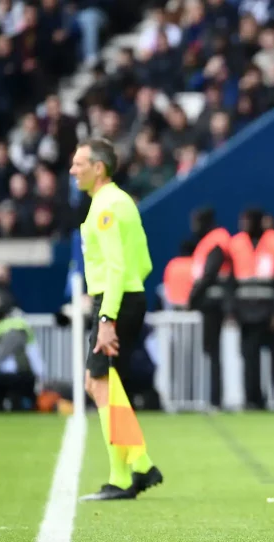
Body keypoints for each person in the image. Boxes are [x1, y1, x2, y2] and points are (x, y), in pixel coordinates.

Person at [70, 138, 164, 501]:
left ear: (99, 168)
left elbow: (116, 266)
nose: (73, 170)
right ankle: (135, 466)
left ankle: (129, 472)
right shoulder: (120, 202)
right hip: (127, 297)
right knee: (104, 383)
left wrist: (106, 316)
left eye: (79, 164)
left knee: (99, 383)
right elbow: (143, 263)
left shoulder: (106, 207)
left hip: (115, 302)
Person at [228, 208, 274, 410]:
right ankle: (253, 400)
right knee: (250, 360)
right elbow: (230, 282)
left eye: (246, 220)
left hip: (271, 312)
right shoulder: (236, 244)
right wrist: (231, 310)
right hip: (246, 313)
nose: (243, 224)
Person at [187, 207, 233, 410]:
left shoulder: (216, 242)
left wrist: (193, 296)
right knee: (211, 352)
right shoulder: (212, 241)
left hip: (213, 304)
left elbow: (209, 274)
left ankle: (216, 399)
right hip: (210, 303)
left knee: (213, 352)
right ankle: (213, 397)